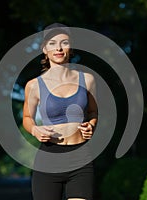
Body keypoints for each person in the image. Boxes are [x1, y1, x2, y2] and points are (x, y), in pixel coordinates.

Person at [22, 23, 98, 200]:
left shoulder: (87, 79)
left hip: (81, 158)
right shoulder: (34, 85)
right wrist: (35, 130)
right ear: (44, 49)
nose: (58, 48)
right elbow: (27, 117)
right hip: (49, 158)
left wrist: (91, 126)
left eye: (64, 42)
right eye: (52, 43)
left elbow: (93, 112)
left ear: (70, 47)